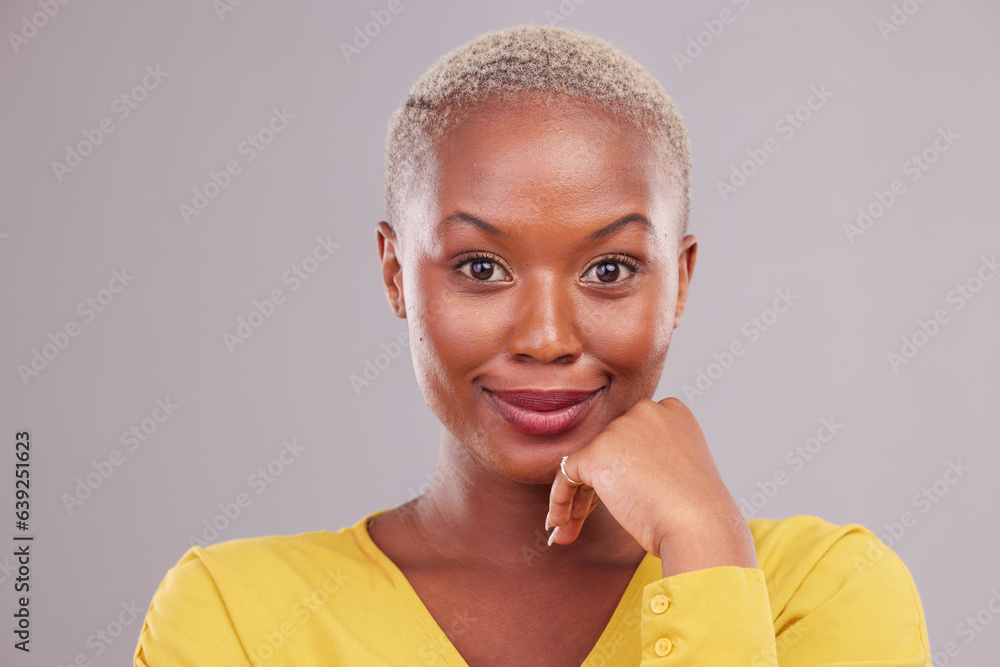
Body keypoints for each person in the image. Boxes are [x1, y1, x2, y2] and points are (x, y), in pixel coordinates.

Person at [134, 25, 931, 666]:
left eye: (610, 268)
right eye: (480, 267)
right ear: (395, 275)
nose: (547, 337)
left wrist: (707, 552)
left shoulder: (825, 591)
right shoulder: (234, 616)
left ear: (679, 283)